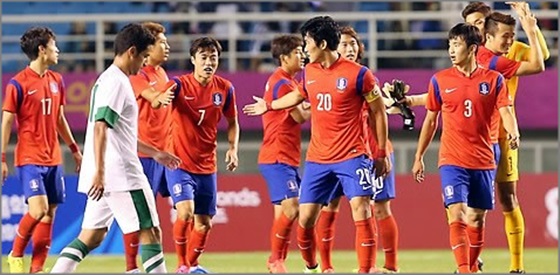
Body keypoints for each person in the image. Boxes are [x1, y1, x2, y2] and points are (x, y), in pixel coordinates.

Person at [243, 16, 389, 273]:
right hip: (318, 159)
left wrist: (379, 153)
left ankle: (366, 269)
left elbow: (379, 112)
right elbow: (297, 96)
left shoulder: (360, 75)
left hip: (353, 155)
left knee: (361, 207)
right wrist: (269, 105)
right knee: (306, 217)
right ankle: (312, 267)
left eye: (307, 42)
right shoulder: (309, 72)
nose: (304, 48)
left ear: (321, 44)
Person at [49, 23, 180, 274]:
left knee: (92, 236)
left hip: (107, 173)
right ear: (132, 51)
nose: (143, 63)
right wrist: (100, 173)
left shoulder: (108, 80)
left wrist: (155, 152)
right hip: (120, 174)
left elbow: (119, 132)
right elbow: (100, 127)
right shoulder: (117, 83)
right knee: (151, 231)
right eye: (143, 56)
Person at [412, 23, 520, 274]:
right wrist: (419, 156)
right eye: (450, 44)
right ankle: (463, 269)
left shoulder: (494, 80)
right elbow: (430, 120)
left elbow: (506, 111)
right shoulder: (439, 80)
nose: (451, 49)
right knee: (457, 214)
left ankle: (471, 266)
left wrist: (513, 131)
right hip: (452, 159)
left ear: (472, 49)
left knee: (476, 218)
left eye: (457, 44)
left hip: (483, 159)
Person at [315, 26, 399, 273]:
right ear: (332, 47)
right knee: (330, 207)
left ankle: (388, 267)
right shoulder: (324, 76)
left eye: (353, 44)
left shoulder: (365, 76)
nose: (349, 48)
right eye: (343, 44)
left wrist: (392, 105)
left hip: (372, 150)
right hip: (339, 153)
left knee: (381, 207)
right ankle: (326, 267)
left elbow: (380, 111)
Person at [2, 26, 82, 274]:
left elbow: (59, 118)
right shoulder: (17, 84)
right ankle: (15, 254)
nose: (57, 50)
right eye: (54, 45)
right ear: (42, 49)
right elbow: (6, 122)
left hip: (54, 158)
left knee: (49, 214)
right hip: (29, 157)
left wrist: (74, 149)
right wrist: (2, 158)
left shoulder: (57, 80)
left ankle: (36, 269)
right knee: (37, 210)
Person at [166, 36, 240, 274]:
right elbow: (158, 102)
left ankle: (191, 264)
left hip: (207, 164)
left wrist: (233, 148)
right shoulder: (178, 85)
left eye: (213, 57)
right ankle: (181, 265)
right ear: (193, 59)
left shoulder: (225, 88)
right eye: (204, 57)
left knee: (205, 223)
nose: (209, 62)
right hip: (179, 161)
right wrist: (157, 100)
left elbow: (233, 122)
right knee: (185, 212)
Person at [125, 21, 176, 274]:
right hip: (143, 155)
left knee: (182, 205)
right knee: (141, 216)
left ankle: (188, 264)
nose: (167, 47)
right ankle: (131, 267)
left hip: (164, 154)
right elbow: (153, 100)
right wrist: (161, 97)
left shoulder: (162, 74)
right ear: (148, 47)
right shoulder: (138, 76)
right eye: (162, 43)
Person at [258, 34, 311, 273]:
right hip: (277, 155)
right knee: (293, 208)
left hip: (284, 156)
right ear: (284, 57)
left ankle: (277, 262)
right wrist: (323, 104)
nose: (302, 55)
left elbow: (298, 111)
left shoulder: (281, 80)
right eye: (298, 51)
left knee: (283, 213)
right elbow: (299, 116)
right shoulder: (284, 83)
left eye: (302, 50)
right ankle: (274, 259)